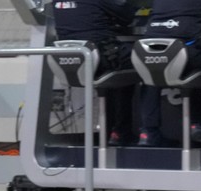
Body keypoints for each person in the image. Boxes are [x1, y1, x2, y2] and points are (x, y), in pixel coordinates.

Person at [136, 0, 201, 147]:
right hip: (186, 48)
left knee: (152, 71)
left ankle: (148, 132)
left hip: (148, 48)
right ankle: (198, 124)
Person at [51, 0, 139, 146]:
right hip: (101, 58)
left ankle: (111, 132)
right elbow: (127, 15)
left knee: (115, 71)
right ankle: (137, 132)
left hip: (73, 61)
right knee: (144, 61)